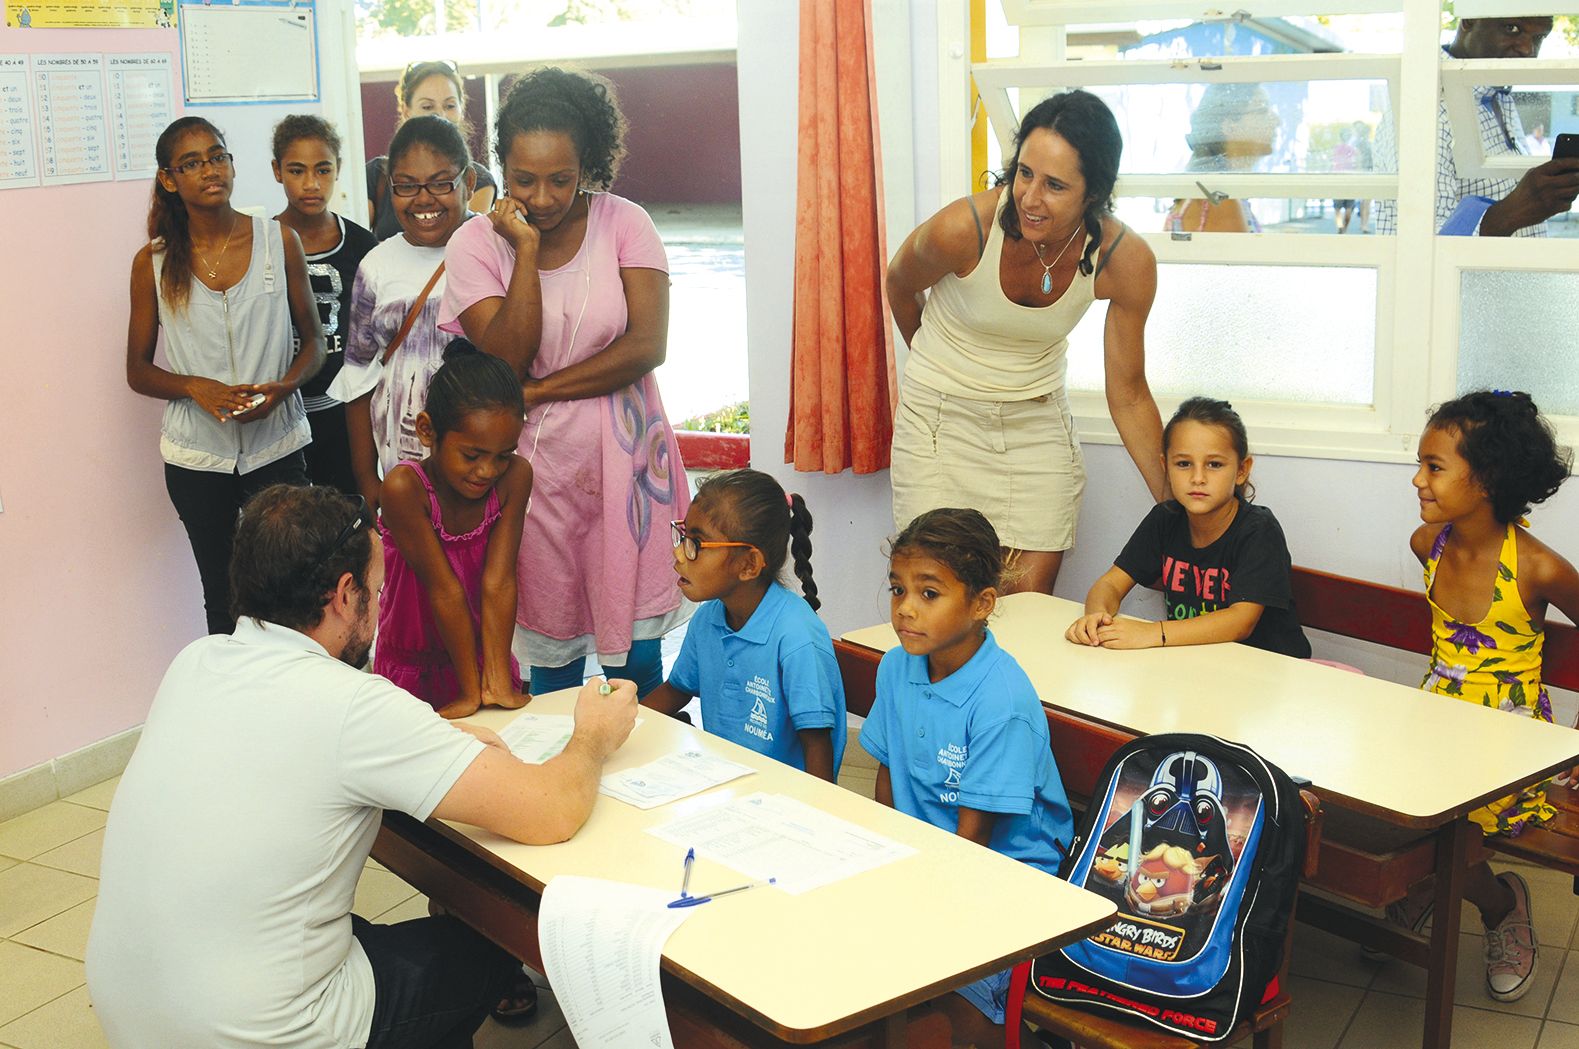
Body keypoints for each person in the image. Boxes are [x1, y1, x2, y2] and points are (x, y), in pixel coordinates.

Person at [86, 483, 639, 1048]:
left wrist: (428, 739)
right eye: (378, 591)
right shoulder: (352, 705)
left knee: (368, 941)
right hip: (262, 1035)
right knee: (484, 946)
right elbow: (552, 811)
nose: (380, 606)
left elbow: (283, 746)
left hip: (135, 1008)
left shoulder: (197, 660)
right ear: (346, 595)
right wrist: (594, 737)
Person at [440, 66, 686, 698]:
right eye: (524, 180)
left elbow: (646, 346)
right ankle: (556, 780)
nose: (544, 198)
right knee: (547, 650)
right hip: (527, 470)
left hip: (624, 462)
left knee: (633, 659)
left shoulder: (626, 224)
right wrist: (523, 251)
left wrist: (543, 391)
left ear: (590, 166)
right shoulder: (474, 244)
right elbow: (504, 360)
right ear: (500, 166)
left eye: (562, 179)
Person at [886, 90, 1165, 597]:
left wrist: (1178, 507)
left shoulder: (1124, 261)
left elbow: (1128, 394)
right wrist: (938, 371)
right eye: (1024, 173)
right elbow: (899, 284)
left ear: (1094, 192)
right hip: (939, 425)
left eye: (1055, 185)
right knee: (940, 608)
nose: (1030, 198)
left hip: (1035, 424)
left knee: (1026, 614)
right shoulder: (962, 229)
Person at [861, 507, 1074, 1048]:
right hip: (930, 852)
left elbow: (974, 842)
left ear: (981, 604)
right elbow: (888, 773)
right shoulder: (896, 665)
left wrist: (920, 899)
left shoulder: (1001, 700)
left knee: (967, 1004)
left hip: (1006, 870)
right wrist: (883, 858)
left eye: (929, 593)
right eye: (897, 589)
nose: (906, 609)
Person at [1390, 390, 1577, 1003]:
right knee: (1402, 809)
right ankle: (1436, 884)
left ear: (1489, 477)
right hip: (1434, 726)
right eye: (1420, 463)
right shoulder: (1429, 544)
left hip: (1507, 743)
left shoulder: (1537, 567)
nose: (1418, 479)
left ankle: (1500, 905)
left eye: (1435, 467)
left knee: (1459, 834)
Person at [126, 116, 325, 636]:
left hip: (276, 444)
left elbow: (315, 345)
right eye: (191, 163)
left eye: (217, 156)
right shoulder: (153, 262)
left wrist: (282, 390)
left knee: (295, 589)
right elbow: (138, 370)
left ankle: (296, 705)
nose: (209, 170)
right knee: (223, 594)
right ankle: (236, 707)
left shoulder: (278, 241)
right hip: (197, 458)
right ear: (169, 179)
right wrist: (194, 386)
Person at [642, 469, 847, 780]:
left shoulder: (796, 636)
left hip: (786, 803)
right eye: (683, 536)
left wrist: (817, 818)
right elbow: (676, 690)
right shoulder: (708, 618)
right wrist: (619, 722)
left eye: (696, 542)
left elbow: (817, 747)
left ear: (749, 564)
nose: (679, 553)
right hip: (725, 785)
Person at [1066, 397, 1311, 658]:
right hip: (1195, 665)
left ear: (1241, 470)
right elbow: (1111, 584)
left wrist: (1152, 633)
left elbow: (1241, 622)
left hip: (1268, 672)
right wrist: (1097, 618)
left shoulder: (1259, 530)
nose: (1197, 478)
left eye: (1214, 464)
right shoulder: (1165, 519)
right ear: (1166, 467)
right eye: (1183, 464)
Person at [330, 115, 476, 516]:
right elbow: (358, 380)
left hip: (484, 468)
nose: (424, 199)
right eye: (406, 186)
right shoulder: (376, 265)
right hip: (403, 472)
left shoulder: (494, 250)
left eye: (442, 183)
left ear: (470, 184)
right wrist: (367, 480)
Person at [377, 344, 531, 719]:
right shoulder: (404, 489)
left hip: (480, 653)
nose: (488, 471)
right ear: (428, 430)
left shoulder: (516, 477)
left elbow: (499, 582)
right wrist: (467, 690)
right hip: (415, 662)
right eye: (472, 455)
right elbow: (444, 589)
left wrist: (494, 679)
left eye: (503, 455)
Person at [1374, 18, 1579, 237]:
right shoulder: (1425, 108)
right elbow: (1418, 241)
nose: (1527, 49)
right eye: (1512, 28)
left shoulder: (1495, 94)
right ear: (1469, 20)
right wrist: (1515, 210)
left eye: (1539, 38)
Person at [272, 114, 378, 495]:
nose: (311, 184)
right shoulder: (262, 244)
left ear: (338, 170)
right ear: (277, 171)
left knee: (352, 516)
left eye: (323, 170)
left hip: (345, 412)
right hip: (284, 413)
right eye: (297, 171)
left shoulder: (362, 245)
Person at [367, 60, 496, 241]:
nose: (440, 115)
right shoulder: (376, 174)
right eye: (427, 107)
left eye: (449, 105)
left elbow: (473, 241)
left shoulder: (480, 179)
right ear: (406, 110)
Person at [1163, 83, 1279, 234]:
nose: (1276, 121)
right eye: (1263, 111)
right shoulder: (1219, 200)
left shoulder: (1211, 190)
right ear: (1230, 126)